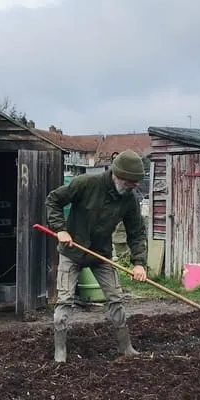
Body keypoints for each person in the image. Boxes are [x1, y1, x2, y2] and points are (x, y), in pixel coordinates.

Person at [44, 150, 148, 362]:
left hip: (101, 254)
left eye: (137, 182)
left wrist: (139, 263)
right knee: (65, 300)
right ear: (117, 175)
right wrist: (60, 229)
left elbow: (136, 232)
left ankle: (126, 348)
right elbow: (53, 201)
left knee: (116, 299)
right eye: (131, 181)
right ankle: (60, 352)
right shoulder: (85, 183)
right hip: (72, 251)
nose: (135, 186)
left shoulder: (129, 199)